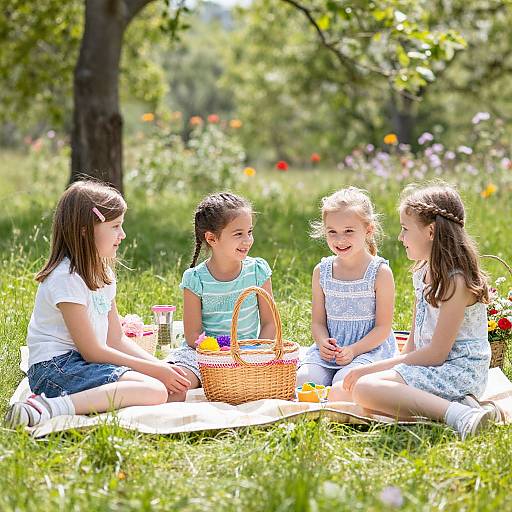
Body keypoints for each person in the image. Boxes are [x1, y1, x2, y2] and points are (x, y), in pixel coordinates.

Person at [6, 181, 190, 427]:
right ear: (85, 230)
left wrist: (161, 366)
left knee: (168, 390)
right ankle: (49, 407)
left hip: (82, 364)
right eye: (115, 226)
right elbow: (92, 350)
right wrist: (155, 373)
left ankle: (69, 402)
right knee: (155, 390)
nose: (122, 235)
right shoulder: (65, 278)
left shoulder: (103, 275)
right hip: (54, 370)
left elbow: (116, 339)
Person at [334, 183, 501, 439]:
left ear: (431, 231)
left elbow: (436, 354)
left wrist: (370, 370)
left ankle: (461, 416)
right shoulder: (422, 273)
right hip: (430, 368)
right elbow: (412, 344)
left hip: (458, 372)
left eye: (405, 228)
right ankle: (450, 406)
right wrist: (383, 371)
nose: (400, 237)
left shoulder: (455, 281)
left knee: (365, 387)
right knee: (342, 389)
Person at [166, 192, 275, 396]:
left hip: (247, 353)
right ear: (211, 238)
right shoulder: (195, 279)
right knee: (176, 386)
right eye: (238, 234)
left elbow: (270, 323)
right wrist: (219, 355)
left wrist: (256, 353)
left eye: (249, 231)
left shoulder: (258, 271)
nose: (247, 240)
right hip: (204, 354)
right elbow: (192, 336)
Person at [298, 187, 397, 393]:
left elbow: (383, 328)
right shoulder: (322, 271)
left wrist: (353, 350)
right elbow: (318, 322)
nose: (339, 240)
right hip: (330, 353)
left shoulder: (380, 273)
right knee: (302, 381)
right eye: (332, 232)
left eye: (349, 231)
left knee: (344, 385)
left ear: (368, 230)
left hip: (368, 351)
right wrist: (322, 342)